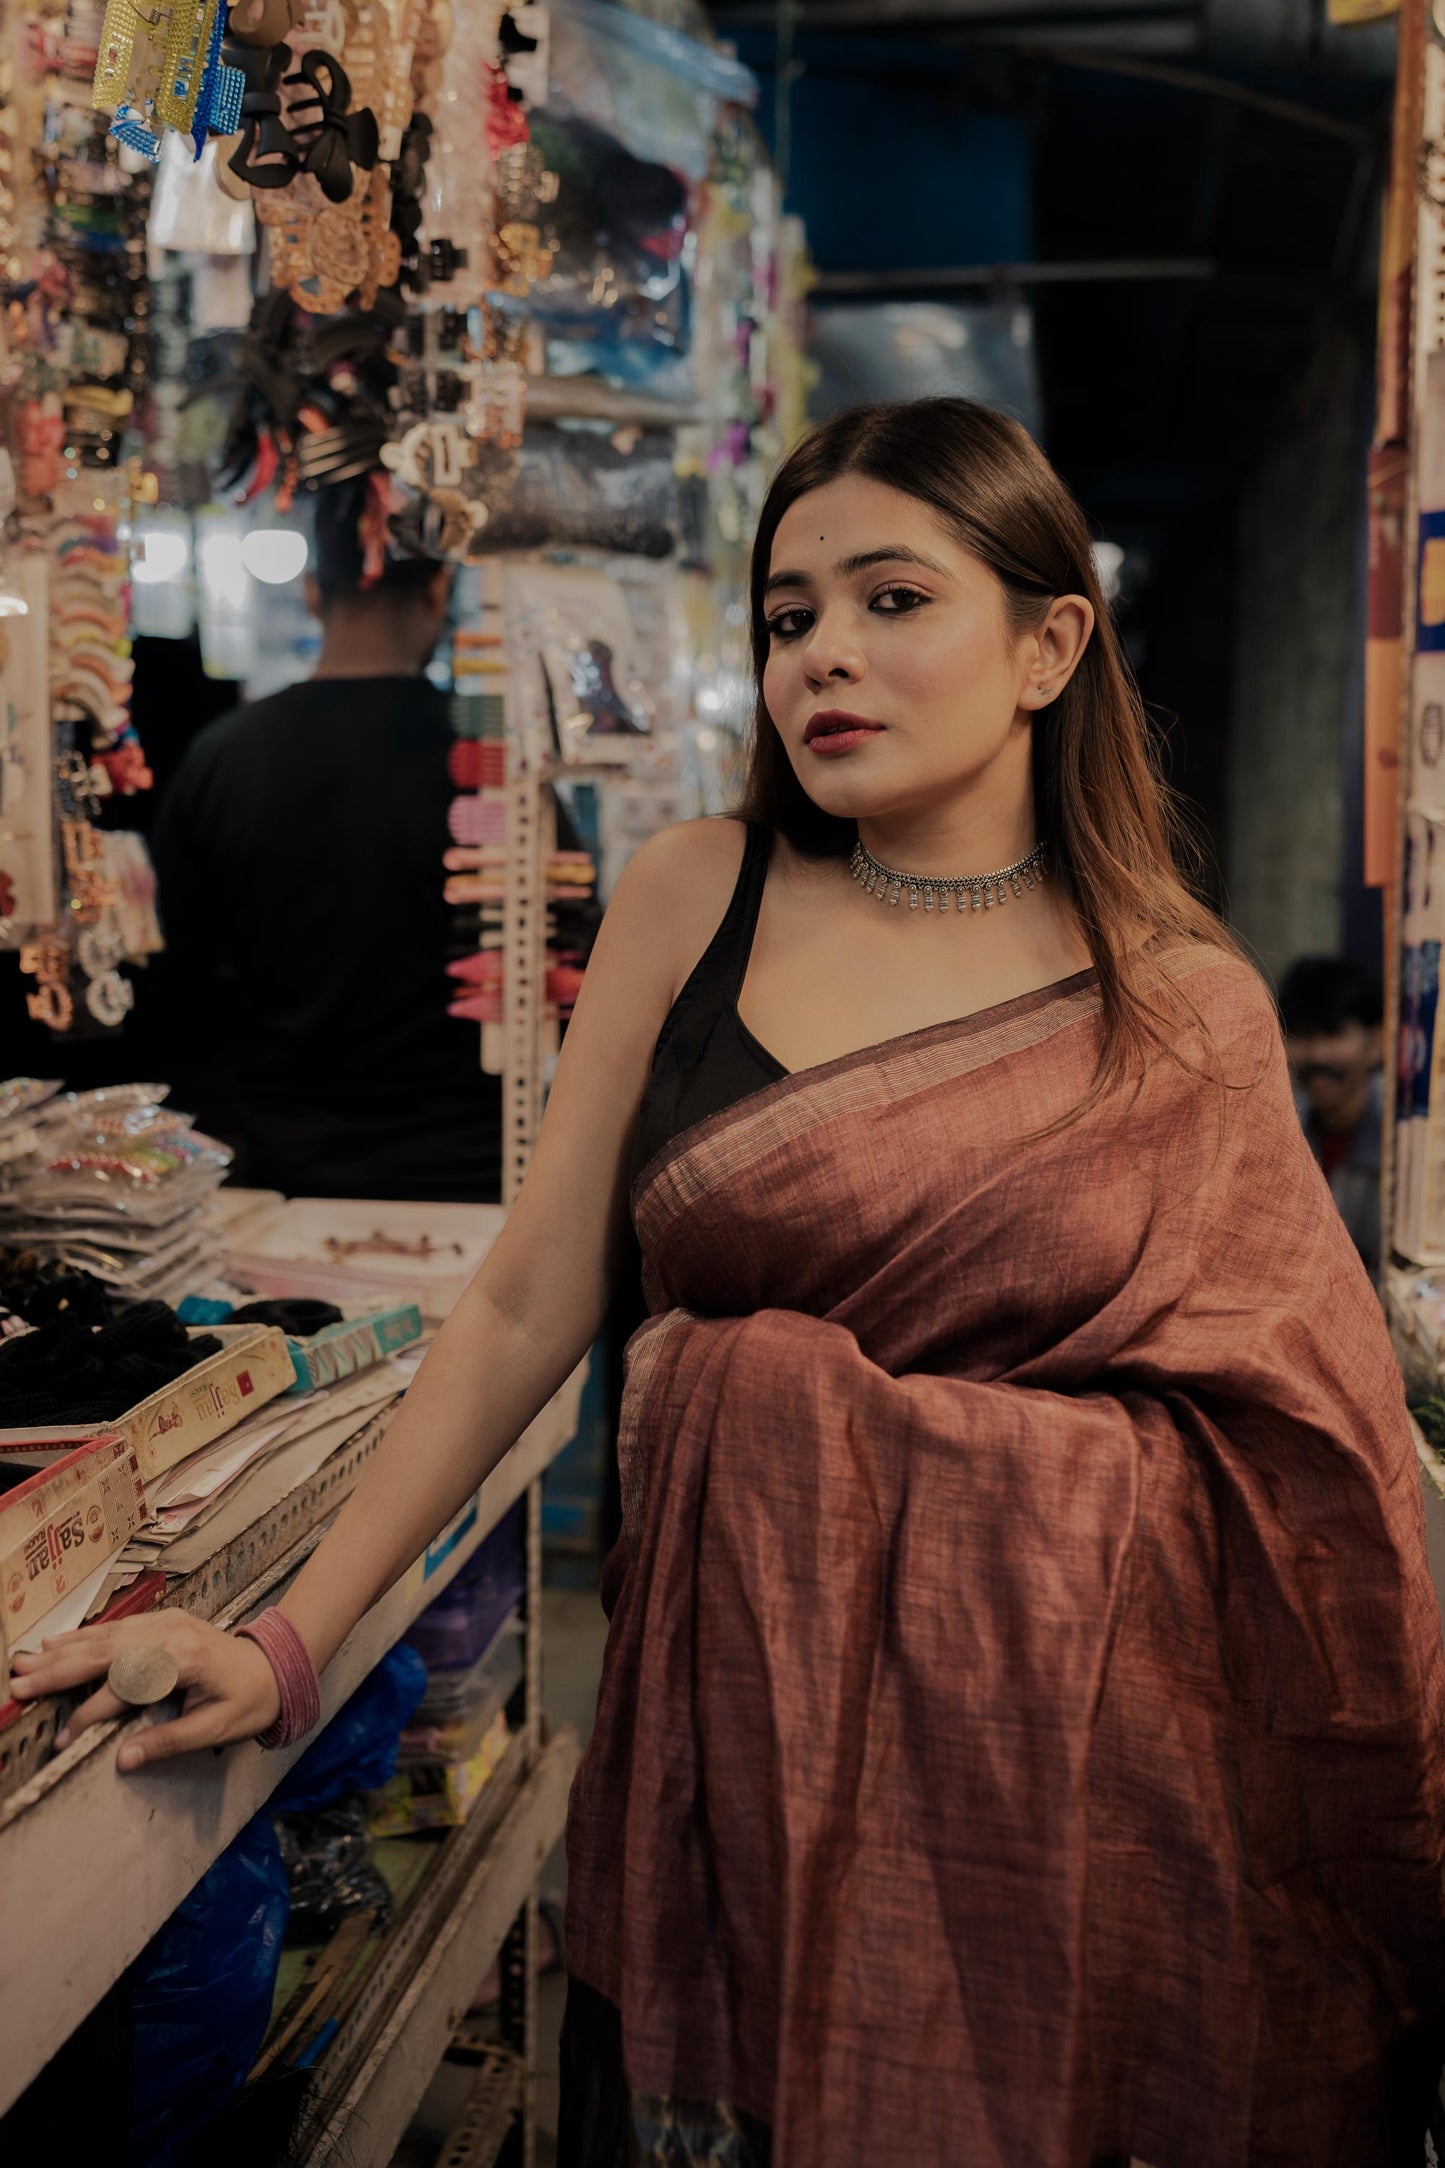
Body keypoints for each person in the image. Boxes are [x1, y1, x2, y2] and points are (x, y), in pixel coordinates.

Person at [16, 400, 1445, 2168]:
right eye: (787, 616)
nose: (824, 654)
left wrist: (857, 1428)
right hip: (733, 1755)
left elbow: (1300, 1451)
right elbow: (530, 1311)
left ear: (1049, 644)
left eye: (891, 599)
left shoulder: (1180, 1003)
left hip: (1042, 1794)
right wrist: (286, 1643)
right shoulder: (703, 893)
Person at [145, 481, 502, 1202]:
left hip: (278, 1166)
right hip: (469, 1164)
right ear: (439, 590)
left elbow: (168, 979)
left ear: (312, 592)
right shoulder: (490, 758)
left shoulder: (225, 756)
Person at [1278, 953, 1384, 1276]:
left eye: (1333, 1034)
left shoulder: (1411, 1134)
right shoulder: (1281, 1125)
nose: (1317, 1054)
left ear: (1376, 1042)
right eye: (1302, 1035)